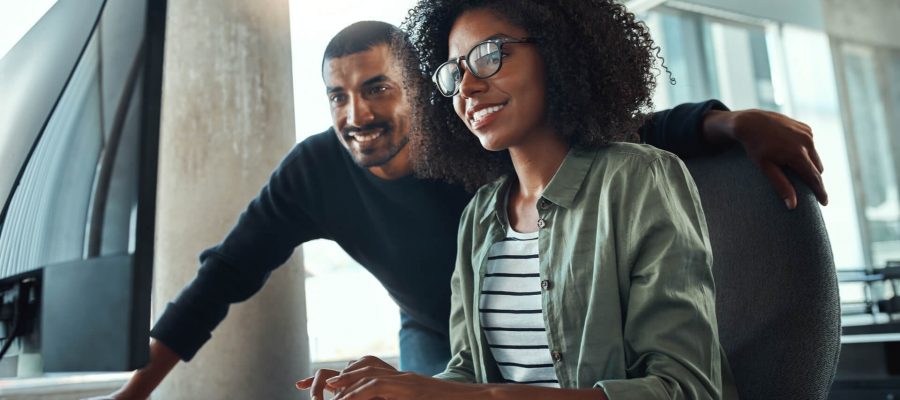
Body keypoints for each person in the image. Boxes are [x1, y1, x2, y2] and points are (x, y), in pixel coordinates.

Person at [111, 17, 822, 399]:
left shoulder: (496, 132)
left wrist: (728, 124)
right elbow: (221, 276)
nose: (356, 113)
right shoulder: (326, 175)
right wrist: (134, 392)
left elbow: (625, 131)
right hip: (447, 330)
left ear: (418, 90)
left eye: (378, 89)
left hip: (571, 335)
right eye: (337, 95)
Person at [296, 1, 742, 399]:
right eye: (454, 72)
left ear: (556, 52)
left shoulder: (638, 179)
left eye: (490, 55)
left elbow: (685, 388)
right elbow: (469, 374)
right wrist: (399, 387)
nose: (467, 87)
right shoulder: (480, 215)